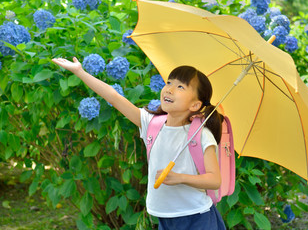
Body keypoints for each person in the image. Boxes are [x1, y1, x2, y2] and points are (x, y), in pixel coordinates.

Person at [52, 58, 226, 230]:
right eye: (169, 82)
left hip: (196, 217)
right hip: (165, 217)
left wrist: (180, 178)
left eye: (180, 87)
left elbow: (214, 180)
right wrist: (80, 72)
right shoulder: (152, 124)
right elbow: (113, 96)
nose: (169, 89)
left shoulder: (201, 135)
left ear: (195, 104)